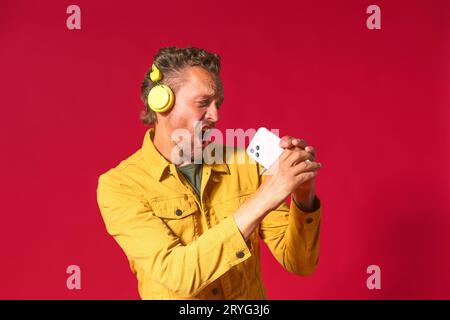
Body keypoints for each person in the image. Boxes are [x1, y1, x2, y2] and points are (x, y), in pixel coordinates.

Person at [96, 46, 323, 300]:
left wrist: (303, 194)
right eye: (203, 103)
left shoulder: (246, 163)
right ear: (161, 103)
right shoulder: (119, 186)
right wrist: (264, 197)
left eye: (218, 104)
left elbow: (301, 264)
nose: (215, 115)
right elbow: (178, 275)